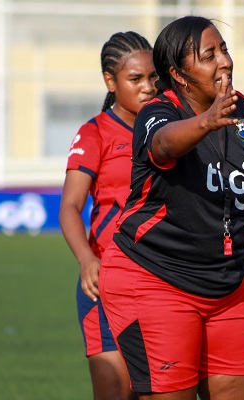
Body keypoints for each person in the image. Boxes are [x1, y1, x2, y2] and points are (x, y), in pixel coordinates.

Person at [98, 16, 244, 400]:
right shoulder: (158, 112)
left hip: (225, 285)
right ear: (179, 74)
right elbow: (163, 146)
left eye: (223, 49)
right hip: (154, 278)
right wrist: (206, 122)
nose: (224, 61)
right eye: (209, 55)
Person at [59, 31, 157, 400]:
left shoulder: (171, 129)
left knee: (158, 391)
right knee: (117, 392)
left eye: (153, 77)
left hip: (162, 279)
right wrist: (86, 260)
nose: (148, 87)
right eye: (136, 79)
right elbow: (70, 206)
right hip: (107, 281)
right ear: (110, 82)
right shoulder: (95, 132)